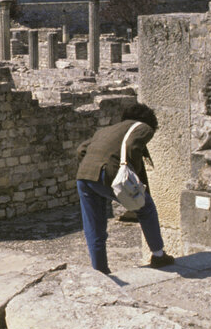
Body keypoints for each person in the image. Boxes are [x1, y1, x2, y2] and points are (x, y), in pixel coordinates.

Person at [75, 102, 175, 274]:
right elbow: (132, 147)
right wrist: (131, 176)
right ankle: (158, 255)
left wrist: (93, 166)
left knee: (94, 225)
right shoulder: (143, 127)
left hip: (84, 175)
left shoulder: (107, 130)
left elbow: (81, 149)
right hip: (109, 174)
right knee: (146, 208)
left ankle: (100, 270)